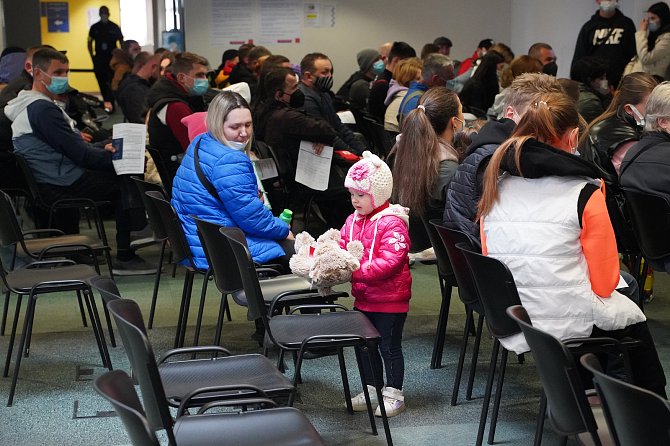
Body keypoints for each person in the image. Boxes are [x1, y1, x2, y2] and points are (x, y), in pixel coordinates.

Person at [478, 91, 666, 397]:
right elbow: (604, 283)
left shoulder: (495, 181)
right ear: (574, 137)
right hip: (565, 319)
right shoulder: (584, 192)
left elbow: (490, 257)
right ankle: (643, 407)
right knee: (630, 319)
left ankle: (588, 393)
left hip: (516, 314)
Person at [5, 48, 153, 275]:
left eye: (66, 71)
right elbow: (81, 156)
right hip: (59, 185)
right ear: (37, 73)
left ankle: (135, 230)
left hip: (54, 177)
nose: (63, 77)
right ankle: (127, 252)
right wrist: (115, 156)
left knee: (121, 170)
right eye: (57, 72)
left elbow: (72, 147)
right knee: (125, 178)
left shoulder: (32, 104)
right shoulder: (42, 109)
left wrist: (102, 149)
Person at [171, 90, 294, 270]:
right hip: (222, 246)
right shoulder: (229, 159)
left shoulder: (200, 142)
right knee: (300, 253)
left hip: (197, 240)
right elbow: (252, 219)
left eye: (248, 125)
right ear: (217, 124)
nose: (244, 133)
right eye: (235, 127)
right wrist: (283, 229)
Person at [443, 73, 564, 243]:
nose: (544, 128)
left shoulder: (490, 147)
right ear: (509, 113)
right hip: (488, 258)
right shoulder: (499, 160)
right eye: (536, 117)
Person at [340, 151, 411, 417]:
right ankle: (372, 389)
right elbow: (343, 247)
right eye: (352, 194)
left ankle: (394, 393)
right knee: (364, 345)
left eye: (361, 194)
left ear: (378, 194)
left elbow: (392, 260)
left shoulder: (393, 223)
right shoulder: (353, 221)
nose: (355, 200)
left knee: (389, 347)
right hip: (364, 297)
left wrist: (356, 270)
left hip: (390, 300)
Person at [392, 87, 463, 256]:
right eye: (462, 111)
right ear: (454, 122)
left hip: (406, 237)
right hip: (437, 246)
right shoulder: (447, 166)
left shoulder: (403, 148)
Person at [146, 51, 209, 178]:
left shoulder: (171, 96)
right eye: (199, 75)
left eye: (206, 75)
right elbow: (194, 149)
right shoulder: (176, 107)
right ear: (181, 78)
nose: (205, 80)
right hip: (180, 176)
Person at [584, 72, 657, 181]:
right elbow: (648, 179)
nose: (656, 113)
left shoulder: (608, 123)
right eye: (651, 108)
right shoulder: (626, 139)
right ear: (629, 109)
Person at [298, 52, 366, 154]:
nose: (329, 76)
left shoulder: (324, 94)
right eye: (325, 72)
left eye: (331, 72)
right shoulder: (304, 98)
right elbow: (326, 135)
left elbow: (339, 126)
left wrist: (364, 152)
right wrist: (355, 156)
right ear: (308, 76)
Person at [571, 0, 636, 90]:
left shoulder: (626, 24)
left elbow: (633, 55)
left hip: (621, 83)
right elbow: (579, 57)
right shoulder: (589, 27)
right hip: (594, 83)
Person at [368, 42, 416, 122]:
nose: (408, 69)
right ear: (396, 61)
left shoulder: (384, 79)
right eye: (407, 64)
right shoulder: (385, 85)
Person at [397, 53, 453, 122]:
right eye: (448, 79)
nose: (451, 83)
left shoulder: (416, 93)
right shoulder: (420, 103)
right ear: (435, 79)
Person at [87, 5, 123, 110]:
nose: (104, 15)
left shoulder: (114, 27)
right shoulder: (94, 28)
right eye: (102, 13)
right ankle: (107, 102)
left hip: (112, 60)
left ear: (108, 13)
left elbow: (121, 41)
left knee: (112, 82)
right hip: (99, 60)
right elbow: (89, 42)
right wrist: (92, 56)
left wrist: (121, 56)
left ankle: (111, 102)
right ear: (99, 14)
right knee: (102, 82)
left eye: (105, 12)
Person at [488, 55, 543, 119]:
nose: (541, 76)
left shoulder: (509, 91)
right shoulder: (518, 96)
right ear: (524, 74)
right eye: (538, 73)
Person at [116, 52, 162, 124]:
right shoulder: (135, 89)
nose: (162, 73)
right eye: (161, 69)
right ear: (154, 67)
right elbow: (141, 120)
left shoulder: (133, 84)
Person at [459, 51, 505, 117]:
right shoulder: (476, 85)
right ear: (493, 67)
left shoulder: (479, 81)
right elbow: (479, 110)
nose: (502, 70)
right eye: (501, 67)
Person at [384, 57, 422, 133]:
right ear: (408, 80)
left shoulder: (396, 93)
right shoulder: (409, 99)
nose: (422, 81)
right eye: (418, 79)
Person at [635, 2, 670, 80]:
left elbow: (645, 58)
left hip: (654, 80)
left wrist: (641, 32)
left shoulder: (667, 38)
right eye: (648, 18)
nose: (649, 22)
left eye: (653, 18)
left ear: (663, 18)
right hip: (642, 78)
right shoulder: (653, 35)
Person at [571, 56, 610, 123]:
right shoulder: (591, 102)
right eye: (601, 78)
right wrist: (607, 97)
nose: (605, 81)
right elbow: (605, 125)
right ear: (589, 80)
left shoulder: (568, 90)